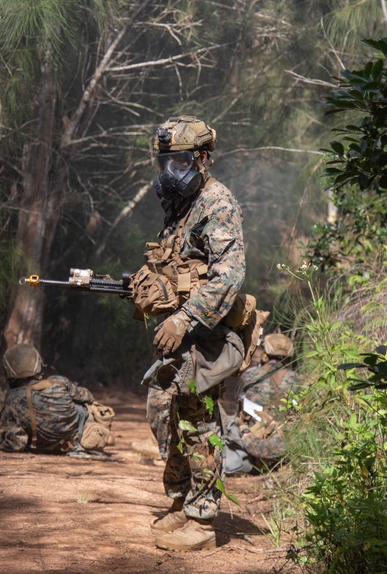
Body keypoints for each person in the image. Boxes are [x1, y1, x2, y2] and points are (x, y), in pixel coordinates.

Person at [128, 115, 246, 551]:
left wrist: (183, 319)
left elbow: (228, 277)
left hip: (206, 335)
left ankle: (202, 516)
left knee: (197, 421)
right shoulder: (179, 206)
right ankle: (180, 500)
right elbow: (176, 268)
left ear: (201, 158)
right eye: (163, 162)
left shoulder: (217, 203)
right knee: (163, 408)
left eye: (177, 160)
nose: (168, 171)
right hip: (178, 336)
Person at [0, 343, 115, 456]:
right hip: (78, 437)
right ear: (38, 363)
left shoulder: (13, 400)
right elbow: (87, 397)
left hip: (43, 445)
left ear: (9, 369)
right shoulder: (58, 382)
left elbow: (16, 444)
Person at [237, 332, 301, 468]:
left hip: (252, 443)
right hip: (285, 446)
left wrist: (244, 430)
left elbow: (239, 406)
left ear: (264, 354)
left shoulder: (250, 375)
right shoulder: (298, 380)